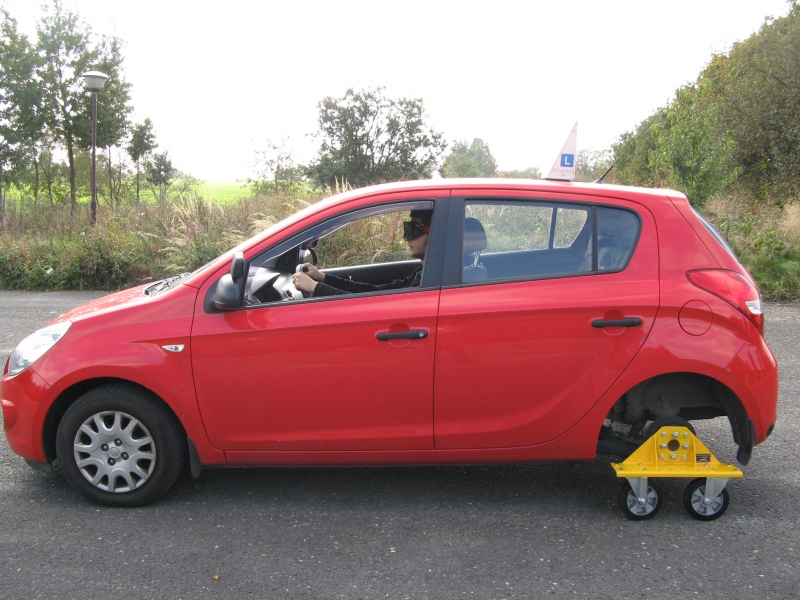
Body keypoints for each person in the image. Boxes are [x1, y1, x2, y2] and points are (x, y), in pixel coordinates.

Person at [292, 209, 432, 297]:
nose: (407, 238)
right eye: (407, 229)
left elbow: (373, 308)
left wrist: (315, 287)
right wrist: (322, 278)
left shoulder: (430, 283)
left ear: (435, 233)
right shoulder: (422, 274)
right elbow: (374, 291)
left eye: (414, 230)